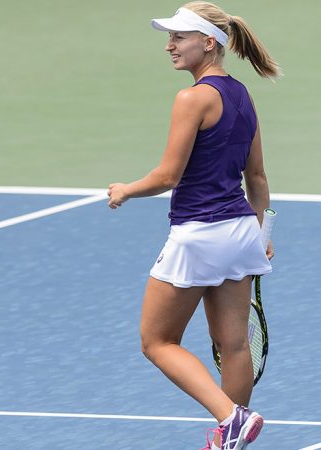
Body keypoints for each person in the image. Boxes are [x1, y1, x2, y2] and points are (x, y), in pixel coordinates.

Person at [106, 2, 279, 449]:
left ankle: (231, 418)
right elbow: (257, 177)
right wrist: (262, 235)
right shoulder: (242, 95)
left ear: (208, 42)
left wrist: (125, 189)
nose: (169, 46)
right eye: (170, 37)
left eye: (178, 37)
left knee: (157, 341)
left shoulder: (193, 98)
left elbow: (168, 176)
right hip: (241, 231)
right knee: (234, 345)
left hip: (199, 235)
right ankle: (231, 440)